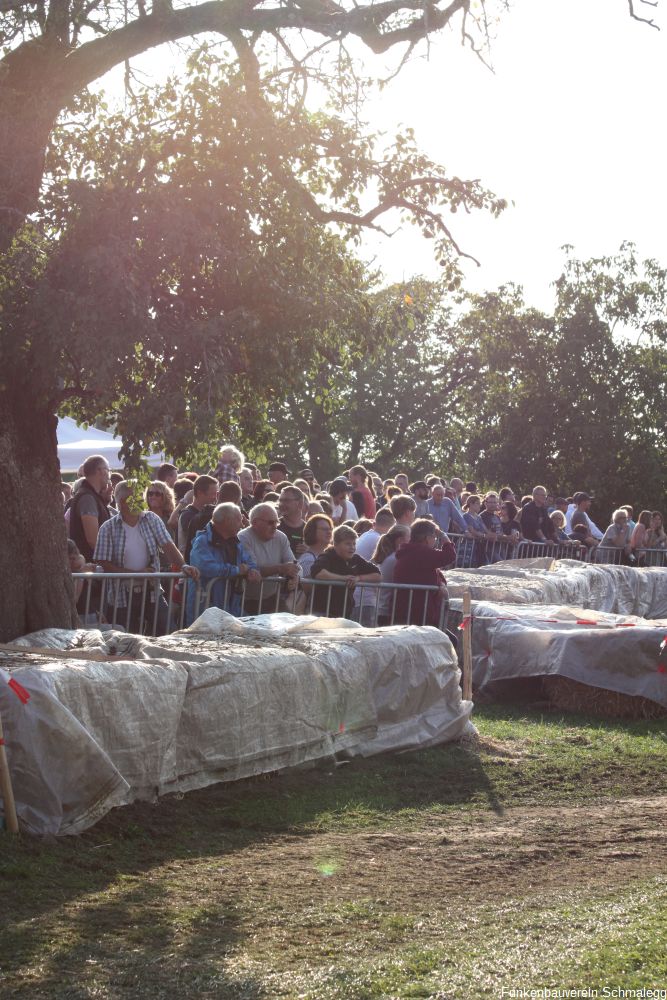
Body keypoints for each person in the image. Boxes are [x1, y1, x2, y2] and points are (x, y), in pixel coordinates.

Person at [94, 480, 199, 634]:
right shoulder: (107, 527)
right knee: (126, 638)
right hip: (121, 594)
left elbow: (168, 546)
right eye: (134, 498)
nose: (140, 501)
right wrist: (135, 574)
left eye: (139, 497)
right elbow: (103, 562)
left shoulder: (151, 519)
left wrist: (184, 565)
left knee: (168, 632)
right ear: (121, 501)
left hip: (152, 590)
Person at [187, 502, 260, 623]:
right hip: (205, 610)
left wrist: (252, 570)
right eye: (239, 520)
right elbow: (206, 568)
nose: (242, 525)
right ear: (227, 521)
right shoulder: (203, 541)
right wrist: (237, 570)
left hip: (231, 609)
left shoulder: (236, 543)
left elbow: (249, 561)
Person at [393, 519, 456, 632]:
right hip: (418, 613)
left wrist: (440, 583)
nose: (435, 540)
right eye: (434, 537)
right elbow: (450, 555)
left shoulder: (412, 551)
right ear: (427, 538)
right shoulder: (420, 552)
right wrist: (443, 536)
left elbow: (436, 573)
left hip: (412, 609)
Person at [238, 502, 301, 613]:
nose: (275, 527)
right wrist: (281, 568)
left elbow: (294, 564)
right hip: (245, 600)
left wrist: (295, 576)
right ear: (255, 523)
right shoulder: (243, 537)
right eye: (271, 522)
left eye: (277, 522)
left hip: (272, 598)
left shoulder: (281, 537)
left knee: (287, 626)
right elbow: (254, 569)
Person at [310, 524, 380, 619]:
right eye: (347, 544)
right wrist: (344, 578)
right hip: (322, 613)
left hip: (345, 613)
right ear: (336, 544)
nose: (352, 547)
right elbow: (318, 573)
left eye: (354, 544)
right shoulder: (326, 556)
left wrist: (358, 578)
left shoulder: (356, 559)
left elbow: (378, 576)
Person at [68, 454, 112, 562]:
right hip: (91, 567)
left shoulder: (90, 496)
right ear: (100, 471)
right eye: (108, 470)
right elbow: (93, 540)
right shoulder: (87, 498)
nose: (109, 475)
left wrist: (103, 503)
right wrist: (112, 560)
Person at [372, 524, 411, 625]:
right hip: (387, 612)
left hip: (383, 609)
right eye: (409, 538)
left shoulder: (390, 557)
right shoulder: (395, 559)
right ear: (401, 540)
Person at [177, 474, 219, 556]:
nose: (215, 498)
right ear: (200, 493)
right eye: (213, 494)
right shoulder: (187, 515)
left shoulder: (208, 512)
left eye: (216, 494)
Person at [298, 514, 334, 579]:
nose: (329, 532)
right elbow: (308, 586)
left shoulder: (332, 555)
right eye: (324, 529)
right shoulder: (308, 559)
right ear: (312, 531)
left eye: (330, 529)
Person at [277, 486, 307, 557]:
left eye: (286, 501)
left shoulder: (309, 529)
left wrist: (310, 551)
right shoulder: (274, 526)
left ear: (300, 504)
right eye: (280, 500)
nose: (282, 504)